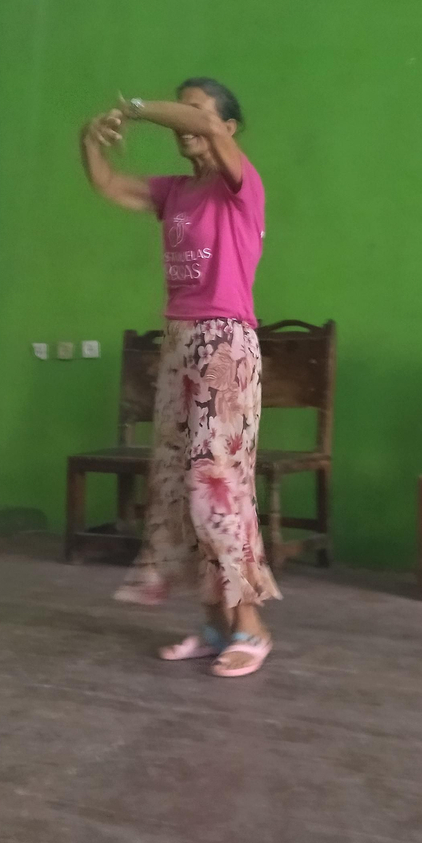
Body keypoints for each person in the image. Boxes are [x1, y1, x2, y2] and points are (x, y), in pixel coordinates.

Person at [79, 78, 279, 678]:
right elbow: (109, 182)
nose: (184, 124)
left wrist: (132, 108)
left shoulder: (240, 186)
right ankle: (216, 626)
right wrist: (88, 136)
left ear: (227, 127)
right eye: (180, 111)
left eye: (195, 111)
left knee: (214, 484)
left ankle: (252, 628)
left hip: (225, 343)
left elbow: (209, 131)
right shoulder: (176, 194)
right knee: (176, 488)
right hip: (180, 343)